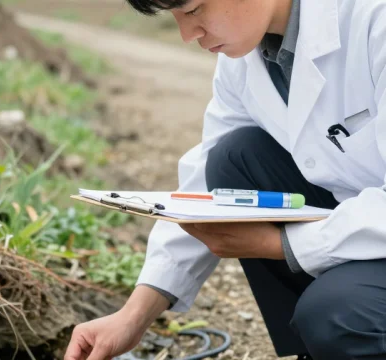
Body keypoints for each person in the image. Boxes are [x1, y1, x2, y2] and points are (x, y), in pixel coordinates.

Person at [64, 0, 386, 359]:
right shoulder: (249, 55)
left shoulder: (375, 19)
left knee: (336, 314)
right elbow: (200, 191)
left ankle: (349, 331)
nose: (188, 35)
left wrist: (280, 244)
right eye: (174, 17)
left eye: (194, 9)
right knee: (234, 157)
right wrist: (133, 317)